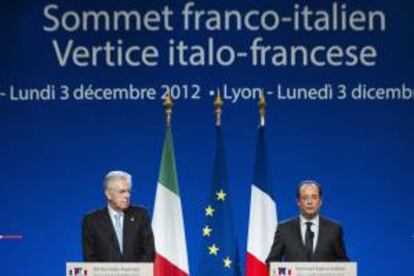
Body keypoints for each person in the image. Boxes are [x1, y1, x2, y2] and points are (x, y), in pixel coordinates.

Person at [266, 180, 349, 263]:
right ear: (298, 202)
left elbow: (343, 262)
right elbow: (272, 261)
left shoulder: (334, 229)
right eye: (305, 197)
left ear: (320, 201)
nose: (310, 202)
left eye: (314, 197)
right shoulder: (284, 229)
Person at [82, 171, 155, 262]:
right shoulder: (91, 221)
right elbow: (89, 257)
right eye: (122, 192)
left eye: (128, 191)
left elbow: (149, 251)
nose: (127, 195)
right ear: (108, 194)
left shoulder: (141, 215)